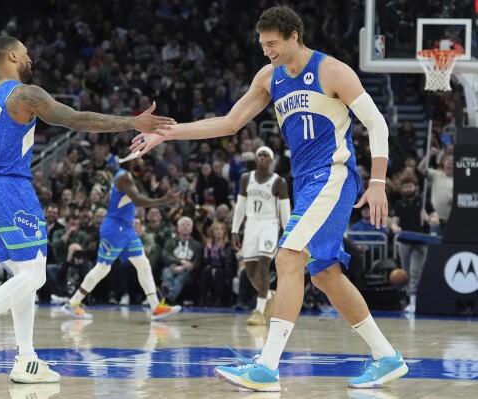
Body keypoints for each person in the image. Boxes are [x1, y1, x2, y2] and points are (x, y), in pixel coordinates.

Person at [131, 5, 407, 392]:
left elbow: (376, 122)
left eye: (273, 43)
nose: (267, 51)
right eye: (262, 45)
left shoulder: (332, 71)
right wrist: (167, 133)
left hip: (334, 176)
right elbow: (229, 123)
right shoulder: (269, 77)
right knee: (325, 275)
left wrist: (378, 181)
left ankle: (267, 367)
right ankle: (387, 357)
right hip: (307, 183)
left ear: (294, 35)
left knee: (288, 257)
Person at [0, 36, 174, 383]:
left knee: (24, 274)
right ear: (11, 55)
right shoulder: (24, 94)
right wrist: (131, 122)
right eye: (25, 52)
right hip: (11, 188)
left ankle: (26, 358)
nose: (30, 56)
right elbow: (76, 118)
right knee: (34, 276)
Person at [64, 149, 182, 321]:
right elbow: (139, 200)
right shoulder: (124, 177)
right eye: (139, 157)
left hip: (126, 229)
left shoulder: (125, 175)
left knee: (143, 264)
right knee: (102, 268)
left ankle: (155, 307)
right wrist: (165, 200)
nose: (142, 160)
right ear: (132, 160)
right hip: (115, 229)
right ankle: (73, 303)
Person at [231, 146, 290, 326]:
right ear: (256, 159)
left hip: (269, 224)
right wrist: (235, 230)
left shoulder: (278, 182)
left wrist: (287, 233)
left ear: (271, 160)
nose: (262, 158)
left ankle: (259, 311)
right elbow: (240, 206)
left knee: (264, 266)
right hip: (251, 225)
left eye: (266, 155)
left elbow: (285, 211)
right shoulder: (246, 178)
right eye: (260, 155)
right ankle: (269, 296)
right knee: (249, 271)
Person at [390, 174, 439, 314]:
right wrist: (396, 229)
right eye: (405, 186)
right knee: (405, 273)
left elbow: (436, 220)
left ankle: (414, 301)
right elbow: (394, 223)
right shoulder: (400, 204)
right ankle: (407, 299)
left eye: (410, 186)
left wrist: (428, 218)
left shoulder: (425, 202)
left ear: (416, 187)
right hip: (404, 242)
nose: (408, 189)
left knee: (415, 272)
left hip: (420, 242)